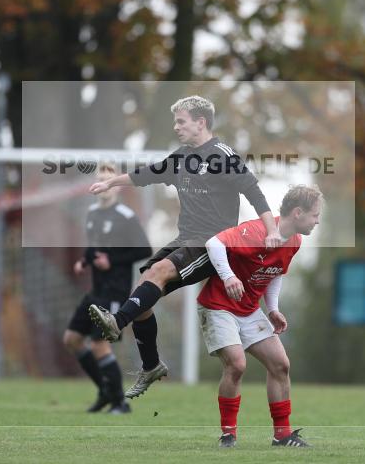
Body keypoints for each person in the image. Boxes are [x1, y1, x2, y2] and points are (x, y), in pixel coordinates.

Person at [88, 95, 281, 398]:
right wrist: (111, 183)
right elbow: (146, 174)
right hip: (185, 239)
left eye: (181, 121)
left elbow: (254, 192)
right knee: (145, 287)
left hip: (214, 243)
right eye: (175, 122)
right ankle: (151, 365)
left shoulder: (222, 155)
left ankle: (117, 323)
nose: (176, 127)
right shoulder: (181, 157)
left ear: (200, 122)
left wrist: (272, 230)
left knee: (159, 272)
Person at [199, 185, 322, 448]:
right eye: (315, 215)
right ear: (298, 213)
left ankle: (282, 435)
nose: (317, 221)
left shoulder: (294, 241)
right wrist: (228, 277)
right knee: (237, 365)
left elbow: (276, 272)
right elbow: (214, 243)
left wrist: (273, 309)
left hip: (248, 309)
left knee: (280, 364)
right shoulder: (256, 231)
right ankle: (228, 435)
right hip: (219, 306)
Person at [63, 163, 152, 414]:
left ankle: (120, 402)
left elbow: (145, 250)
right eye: (100, 179)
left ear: (117, 186)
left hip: (115, 291)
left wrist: (112, 260)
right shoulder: (92, 213)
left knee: (99, 345)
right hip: (96, 289)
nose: (104, 184)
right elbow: (95, 245)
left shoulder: (125, 216)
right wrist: (84, 261)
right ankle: (105, 390)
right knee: (72, 339)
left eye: (108, 180)